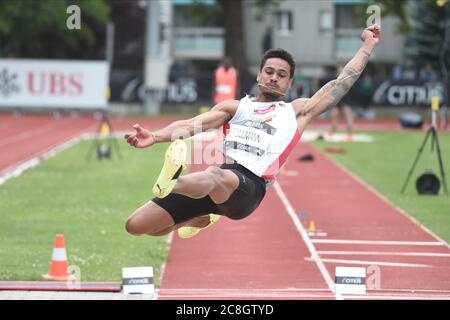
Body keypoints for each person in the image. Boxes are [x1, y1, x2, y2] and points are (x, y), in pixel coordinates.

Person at [124, 25, 381, 239]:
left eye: (282, 75)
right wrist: (155, 136)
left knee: (214, 173)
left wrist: (367, 45)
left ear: (289, 83)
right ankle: (198, 218)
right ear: (259, 74)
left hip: (249, 188)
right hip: (213, 185)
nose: (273, 78)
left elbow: (340, 84)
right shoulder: (234, 108)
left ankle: (170, 183)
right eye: (269, 71)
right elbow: (192, 125)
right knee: (136, 225)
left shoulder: (296, 112)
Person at [326, 65, 354, 141]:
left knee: (348, 116)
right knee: (334, 116)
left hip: (345, 99)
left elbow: (348, 89)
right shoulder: (335, 79)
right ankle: (330, 133)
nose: (340, 71)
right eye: (339, 70)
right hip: (337, 99)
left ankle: (350, 135)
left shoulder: (348, 78)